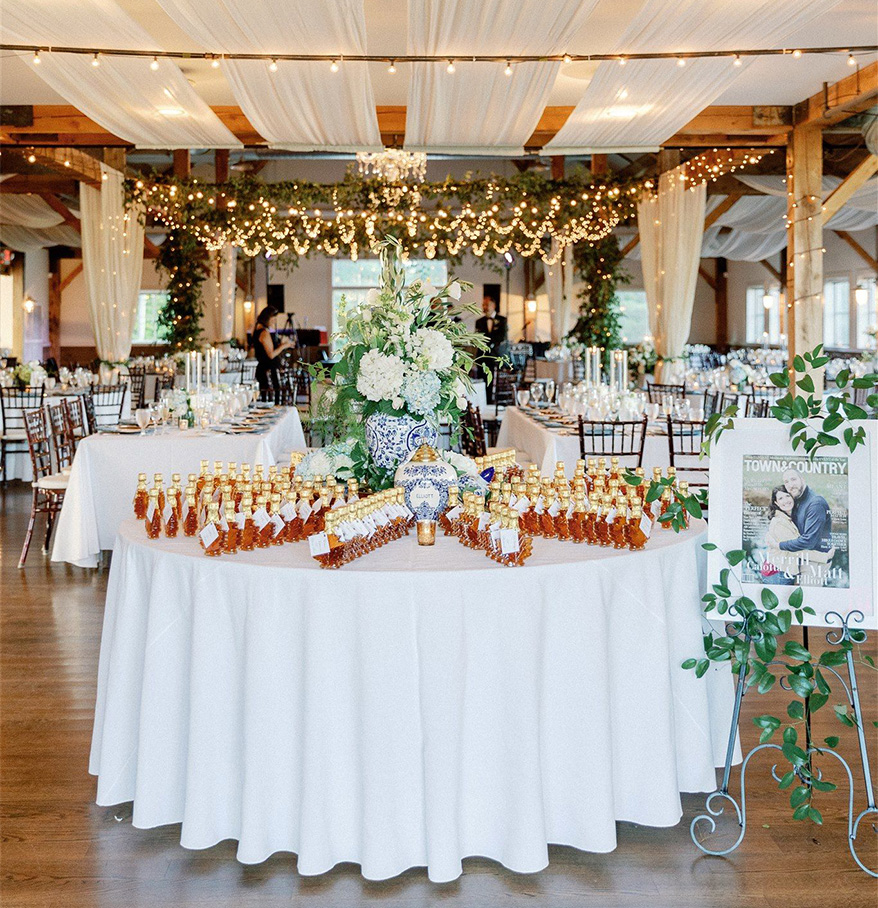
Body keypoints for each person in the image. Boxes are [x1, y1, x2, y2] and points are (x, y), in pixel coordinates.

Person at [763, 485, 833, 584]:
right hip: (777, 572)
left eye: (787, 496)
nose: (785, 500)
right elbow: (797, 550)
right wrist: (825, 557)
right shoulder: (779, 522)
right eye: (780, 498)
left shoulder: (791, 516)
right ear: (776, 503)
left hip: (786, 570)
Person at [777, 468, 834, 555]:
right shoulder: (796, 499)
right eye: (786, 482)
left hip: (817, 561)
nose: (790, 485)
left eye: (793, 479)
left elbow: (809, 542)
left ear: (802, 479)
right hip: (804, 556)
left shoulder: (816, 504)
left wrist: (779, 545)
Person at [251, 305, 293, 401]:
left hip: (263, 368)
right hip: (268, 370)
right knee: (274, 395)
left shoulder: (257, 330)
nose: (274, 321)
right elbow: (271, 355)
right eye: (273, 319)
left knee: (268, 396)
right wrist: (284, 346)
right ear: (267, 318)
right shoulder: (264, 333)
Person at [475, 293, 507, 402]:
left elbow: (501, 337)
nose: (485, 307)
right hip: (482, 356)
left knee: (494, 380)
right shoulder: (479, 322)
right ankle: (484, 402)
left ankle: (494, 402)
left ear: (494, 305)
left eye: (487, 304)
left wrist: (488, 341)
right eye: (483, 305)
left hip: (495, 355)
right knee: (482, 381)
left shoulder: (502, 320)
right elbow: (478, 338)